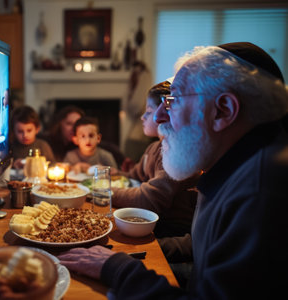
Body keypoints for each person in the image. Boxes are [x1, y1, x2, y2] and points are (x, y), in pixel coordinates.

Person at [58, 42, 288, 298]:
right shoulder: (231, 166)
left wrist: (118, 269)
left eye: (173, 101)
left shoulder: (262, 192)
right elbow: (204, 244)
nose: (157, 117)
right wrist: (132, 252)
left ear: (224, 110)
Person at [112, 81, 198, 238]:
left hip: (174, 233)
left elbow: (150, 199)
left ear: (168, 114)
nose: (143, 117)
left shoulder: (174, 154)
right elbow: (134, 176)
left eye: (148, 112)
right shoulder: (152, 149)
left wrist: (108, 193)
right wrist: (114, 173)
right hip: (154, 224)